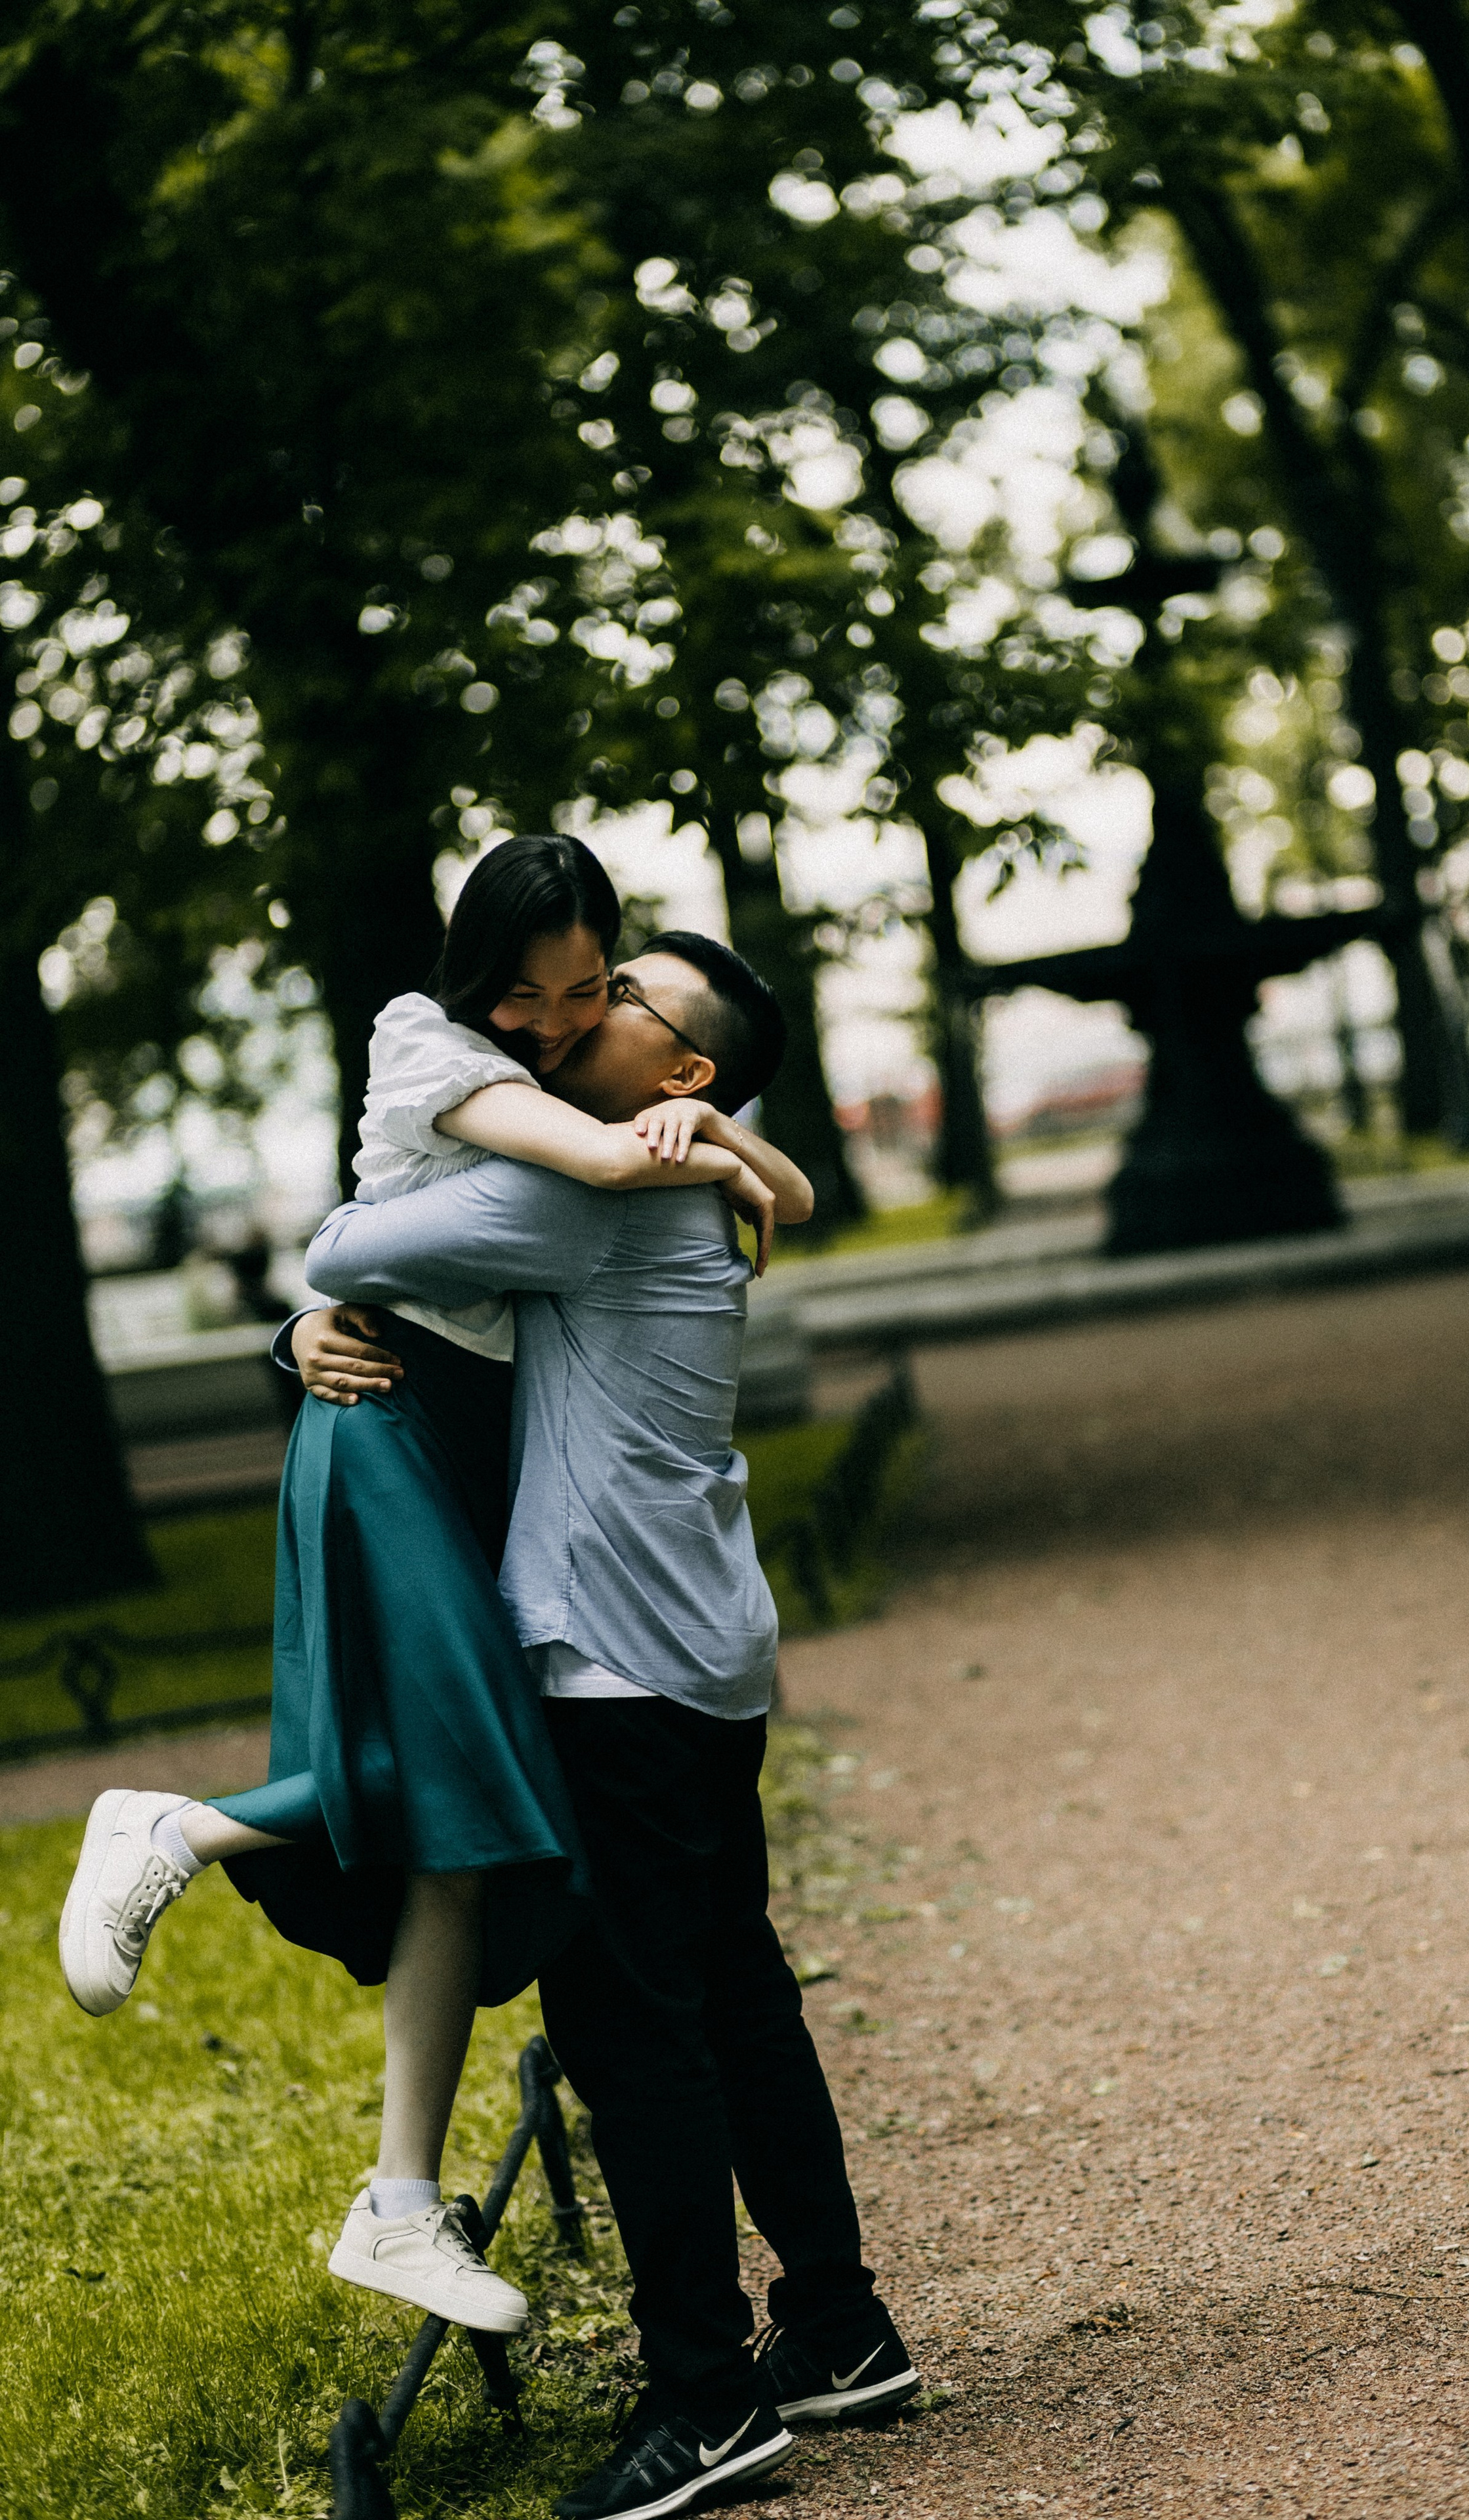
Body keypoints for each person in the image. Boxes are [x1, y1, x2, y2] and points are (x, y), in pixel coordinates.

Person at [57, 838, 805, 2343]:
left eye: (595, 993)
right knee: (467, 1769)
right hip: (396, 1419)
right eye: (536, 993)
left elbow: (566, 1195)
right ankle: (178, 1827)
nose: (558, 1022)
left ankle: (400, 2202)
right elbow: (369, 1238)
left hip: (472, 1442)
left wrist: (727, 1148)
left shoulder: (594, 1121)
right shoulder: (434, 1044)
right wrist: (721, 1151)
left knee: (476, 1812)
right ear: (480, 973)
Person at [297, 931, 920, 2520]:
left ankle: (706, 2402)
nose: (581, 1012)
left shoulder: (590, 1191)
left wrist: (305, 1320)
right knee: (736, 1990)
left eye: (623, 998)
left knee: (630, 2034)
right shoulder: (681, 1175)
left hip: (610, 1665)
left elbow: (355, 1248)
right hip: (705, 1650)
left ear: (685, 1068)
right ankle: (838, 2331)